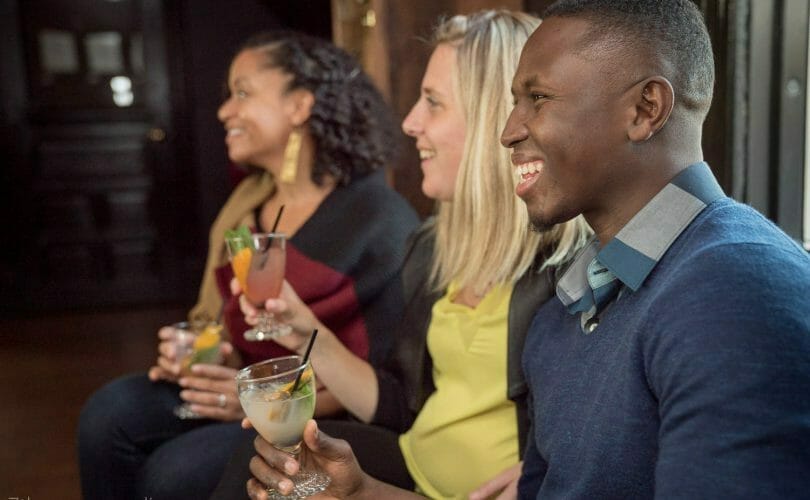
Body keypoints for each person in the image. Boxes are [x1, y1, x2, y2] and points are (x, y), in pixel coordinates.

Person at [216, 10, 591, 500]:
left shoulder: (572, 264)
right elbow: (401, 404)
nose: (411, 122)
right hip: (411, 463)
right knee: (259, 467)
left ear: (491, 119)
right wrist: (306, 331)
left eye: (432, 103)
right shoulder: (434, 246)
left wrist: (547, 468)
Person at [77, 30, 419, 500]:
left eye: (242, 93)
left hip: (317, 412)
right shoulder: (247, 204)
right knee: (108, 413)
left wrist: (254, 400)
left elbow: (387, 377)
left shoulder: (377, 217)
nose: (224, 112)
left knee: (172, 474)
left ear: (300, 107)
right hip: (245, 388)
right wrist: (211, 357)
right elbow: (237, 327)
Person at [501, 0, 810, 497]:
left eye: (538, 98)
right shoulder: (565, 310)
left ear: (646, 110)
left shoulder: (736, 294)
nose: (509, 131)